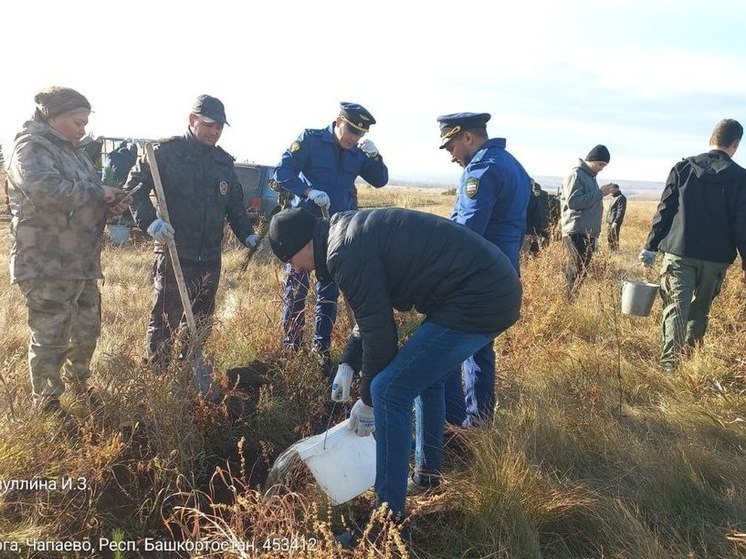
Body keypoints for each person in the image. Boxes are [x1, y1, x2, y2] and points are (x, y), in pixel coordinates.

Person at [267, 207, 521, 523]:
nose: (293, 267)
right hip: (488, 287)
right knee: (425, 380)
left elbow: (380, 332)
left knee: (389, 390)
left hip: (480, 297)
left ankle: (386, 517)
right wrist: (348, 362)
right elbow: (371, 313)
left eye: (289, 259)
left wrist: (368, 402)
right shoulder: (345, 235)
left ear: (301, 245)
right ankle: (426, 475)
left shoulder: (342, 251)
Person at [6, 86, 131, 414]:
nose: (83, 129)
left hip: (80, 263)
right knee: (52, 337)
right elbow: (46, 192)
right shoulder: (30, 148)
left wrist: (108, 205)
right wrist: (97, 192)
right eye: (78, 121)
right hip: (47, 263)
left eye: (85, 122)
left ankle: (79, 386)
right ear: (53, 117)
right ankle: (47, 405)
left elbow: (83, 201)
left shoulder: (75, 153)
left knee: (86, 331)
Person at [125, 95, 259, 368]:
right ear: (192, 120)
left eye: (220, 127)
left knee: (201, 320)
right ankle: (158, 374)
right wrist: (150, 222)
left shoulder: (222, 162)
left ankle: (189, 369)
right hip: (174, 250)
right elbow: (133, 190)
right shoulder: (164, 154)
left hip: (209, 256)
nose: (215, 131)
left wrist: (247, 234)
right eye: (209, 124)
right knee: (165, 319)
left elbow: (234, 205)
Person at [272, 102, 388, 372]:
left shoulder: (357, 153)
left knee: (328, 293)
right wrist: (308, 192)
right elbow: (282, 172)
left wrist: (376, 157)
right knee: (297, 290)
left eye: (359, 134)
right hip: (303, 233)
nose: (354, 138)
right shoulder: (310, 140)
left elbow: (380, 180)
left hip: (336, 232)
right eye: (350, 131)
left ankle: (320, 350)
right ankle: (292, 348)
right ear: (338, 122)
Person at [433, 112, 529, 432]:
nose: (451, 157)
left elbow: (467, 232)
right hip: (502, 274)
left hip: (478, 278)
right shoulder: (512, 164)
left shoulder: (482, 170)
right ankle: (479, 424)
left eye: (450, 148)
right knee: (477, 350)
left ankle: (457, 425)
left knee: (446, 347)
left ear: (468, 138)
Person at [638, 119, 746, 373]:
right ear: (736, 144)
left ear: (711, 139)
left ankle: (669, 365)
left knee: (677, 305)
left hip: (679, 252)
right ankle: (689, 360)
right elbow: (742, 222)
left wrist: (650, 246)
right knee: (701, 308)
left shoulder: (683, 168)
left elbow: (664, 210)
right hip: (716, 257)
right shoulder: (741, 178)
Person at [560, 144, 615, 300]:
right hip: (576, 230)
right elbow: (574, 202)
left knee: (581, 270)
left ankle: (571, 300)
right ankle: (567, 302)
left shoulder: (590, 177)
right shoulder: (576, 174)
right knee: (575, 269)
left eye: (604, 165)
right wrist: (600, 193)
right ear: (592, 160)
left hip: (587, 232)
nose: (602, 168)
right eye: (600, 164)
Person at [523, 178, 551, 256]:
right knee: (524, 255)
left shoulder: (518, 195)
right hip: (529, 230)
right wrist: (538, 230)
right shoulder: (534, 198)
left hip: (515, 229)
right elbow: (536, 216)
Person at [606, 183, 626, 250]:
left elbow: (621, 211)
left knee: (614, 238)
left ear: (616, 189)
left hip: (614, 222)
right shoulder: (615, 198)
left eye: (611, 189)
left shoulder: (621, 198)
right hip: (610, 221)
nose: (610, 190)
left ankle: (615, 253)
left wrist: (616, 222)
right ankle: (611, 252)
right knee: (610, 238)